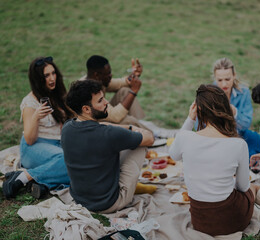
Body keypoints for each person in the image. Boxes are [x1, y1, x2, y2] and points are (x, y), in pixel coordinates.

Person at [169, 84, 260, 235]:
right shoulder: (238, 144)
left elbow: (173, 154)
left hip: (200, 222)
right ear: (226, 110)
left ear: (197, 109)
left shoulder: (184, 137)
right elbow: (242, 187)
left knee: (237, 197)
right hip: (231, 222)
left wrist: (190, 118)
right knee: (254, 188)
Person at [61, 79, 155, 213]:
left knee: (125, 142)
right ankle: (130, 186)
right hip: (109, 203)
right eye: (100, 101)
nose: (107, 103)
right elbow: (150, 138)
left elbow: (101, 127)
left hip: (80, 200)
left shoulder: (67, 127)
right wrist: (134, 128)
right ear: (86, 109)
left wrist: (127, 127)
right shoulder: (108, 134)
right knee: (140, 144)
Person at [3, 56, 74, 199]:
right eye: (46, 75)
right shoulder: (30, 103)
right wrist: (36, 117)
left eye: (53, 73)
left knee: (81, 164)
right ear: (38, 79)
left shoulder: (58, 95)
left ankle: (40, 184)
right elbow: (29, 139)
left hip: (57, 146)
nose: (52, 78)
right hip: (34, 148)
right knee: (68, 160)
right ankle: (23, 177)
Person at [82, 55, 178, 138]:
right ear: (97, 75)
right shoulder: (87, 90)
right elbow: (116, 117)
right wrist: (134, 91)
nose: (111, 76)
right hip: (91, 127)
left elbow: (122, 83)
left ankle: (139, 124)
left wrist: (134, 76)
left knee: (124, 91)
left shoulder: (96, 80)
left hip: (99, 115)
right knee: (127, 120)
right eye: (108, 74)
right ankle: (152, 135)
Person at [196, 58, 260, 157]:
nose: (224, 84)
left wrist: (235, 113)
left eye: (227, 79)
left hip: (239, 135)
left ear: (234, 75)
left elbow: (246, 124)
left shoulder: (243, 92)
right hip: (215, 140)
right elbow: (199, 126)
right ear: (215, 78)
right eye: (220, 80)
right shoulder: (208, 94)